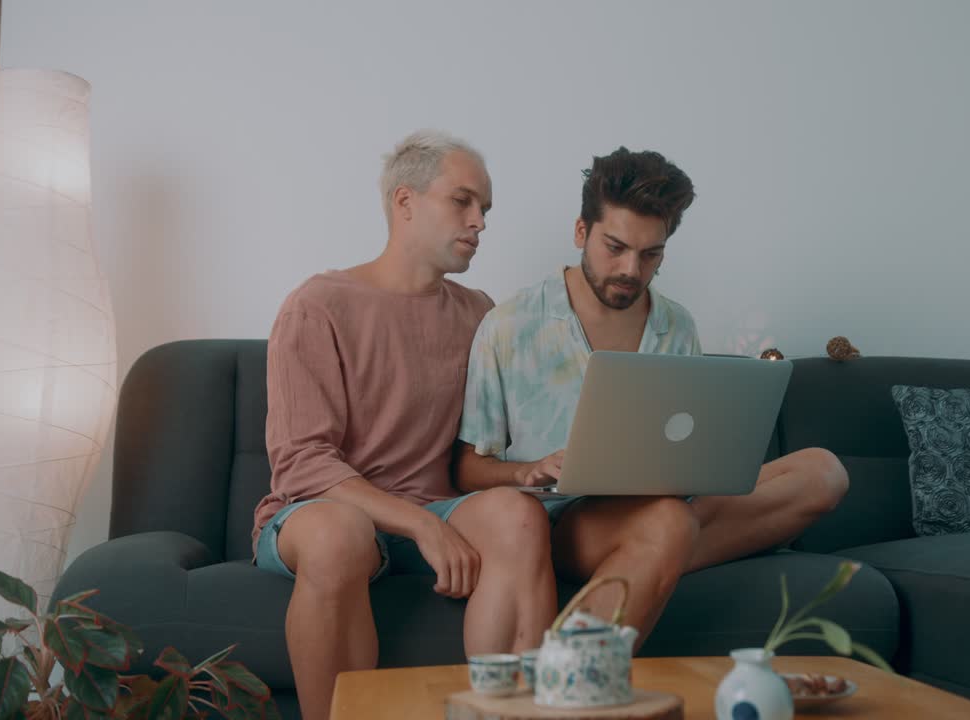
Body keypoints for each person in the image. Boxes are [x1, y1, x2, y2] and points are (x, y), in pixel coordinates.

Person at [455, 147, 848, 638]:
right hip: (561, 522)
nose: (630, 270)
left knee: (823, 473)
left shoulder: (676, 326)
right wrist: (526, 470)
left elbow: (689, 439)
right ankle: (574, 673)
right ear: (581, 232)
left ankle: (656, 554)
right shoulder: (510, 325)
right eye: (614, 247)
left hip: (663, 505)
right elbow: (467, 468)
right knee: (670, 523)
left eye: (650, 254)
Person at [253, 131, 557, 719]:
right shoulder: (318, 304)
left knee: (520, 517)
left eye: (486, 209)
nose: (480, 222)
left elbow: (490, 442)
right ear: (405, 201)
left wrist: (532, 469)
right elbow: (303, 464)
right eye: (463, 201)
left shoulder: (478, 312)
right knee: (338, 536)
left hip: (437, 508)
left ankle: (511, 713)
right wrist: (421, 525)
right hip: (320, 512)